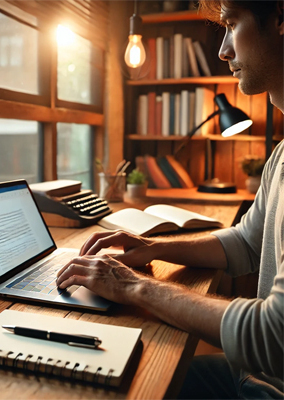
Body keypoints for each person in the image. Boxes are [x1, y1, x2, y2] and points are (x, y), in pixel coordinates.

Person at [56, 1, 284, 398]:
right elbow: (248, 243)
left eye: (231, 24)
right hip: (258, 374)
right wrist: (152, 248)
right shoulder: (281, 155)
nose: (223, 50)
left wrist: (134, 287)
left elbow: (271, 335)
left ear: (280, 18)